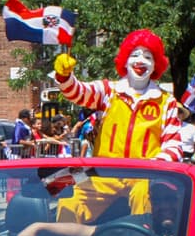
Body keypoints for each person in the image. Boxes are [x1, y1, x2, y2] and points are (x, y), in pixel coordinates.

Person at [52, 29, 183, 161]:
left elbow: (174, 145)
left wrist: (154, 167)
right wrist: (64, 76)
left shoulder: (166, 102)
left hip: (145, 179)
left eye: (148, 57)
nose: (140, 61)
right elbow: (77, 92)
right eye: (135, 55)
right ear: (125, 61)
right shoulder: (108, 90)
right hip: (105, 177)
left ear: (155, 65)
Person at [13, 177, 185, 236]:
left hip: (147, 170)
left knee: (140, 190)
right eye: (158, 200)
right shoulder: (135, 224)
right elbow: (87, 232)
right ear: (152, 201)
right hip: (113, 171)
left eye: (170, 199)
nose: (165, 205)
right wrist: (40, 226)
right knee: (70, 199)